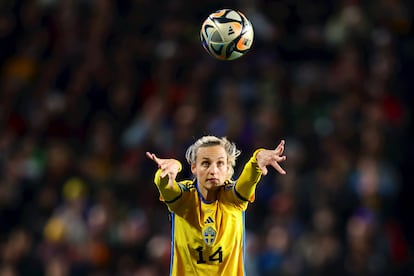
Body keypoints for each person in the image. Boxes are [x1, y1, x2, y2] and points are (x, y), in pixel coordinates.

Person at [146, 135, 287, 276]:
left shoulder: (234, 199)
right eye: (206, 163)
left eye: (219, 163)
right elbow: (166, 186)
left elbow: (247, 181)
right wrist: (168, 170)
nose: (213, 171)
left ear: (227, 168)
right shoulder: (184, 198)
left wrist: (257, 160)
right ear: (194, 167)